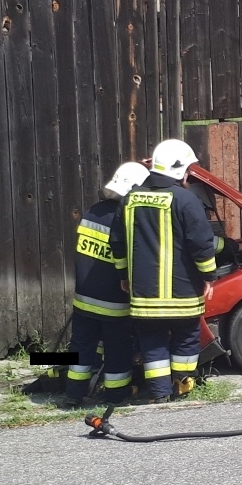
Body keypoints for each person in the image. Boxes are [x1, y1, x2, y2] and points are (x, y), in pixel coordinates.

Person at [109, 139, 227, 403]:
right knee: (186, 340)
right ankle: (182, 388)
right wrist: (209, 276)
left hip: (144, 296)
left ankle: (159, 394)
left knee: (152, 343)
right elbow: (201, 244)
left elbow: (117, 242)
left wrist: (122, 277)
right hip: (183, 293)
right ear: (181, 170)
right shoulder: (185, 199)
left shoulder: (130, 199)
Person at [62, 161, 151, 409]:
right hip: (114, 303)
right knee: (117, 351)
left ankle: (73, 394)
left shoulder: (92, 212)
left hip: (84, 299)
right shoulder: (125, 218)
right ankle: (115, 396)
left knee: (81, 349)